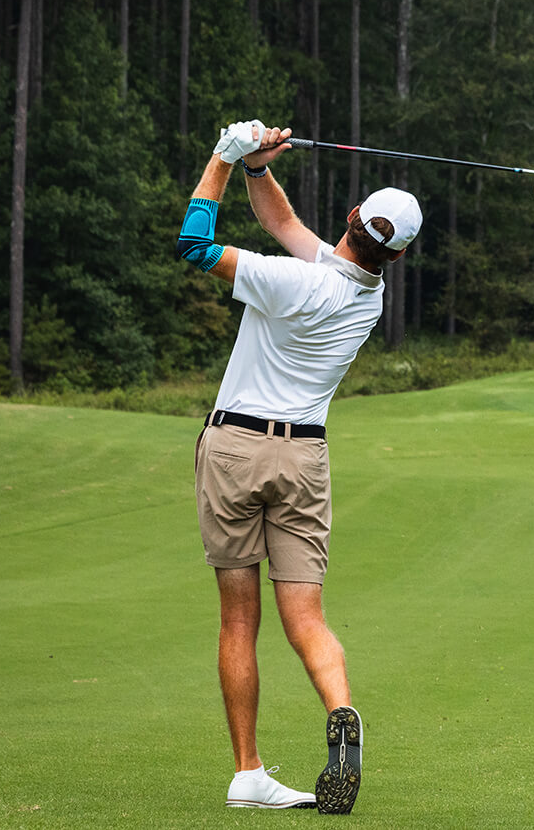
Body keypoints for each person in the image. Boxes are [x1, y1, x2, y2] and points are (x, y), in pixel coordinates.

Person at [176, 119, 421, 813]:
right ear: (395, 256)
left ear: (349, 219)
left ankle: (248, 770)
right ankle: (341, 710)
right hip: (304, 456)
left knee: (236, 620)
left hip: (234, 450)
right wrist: (259, 168)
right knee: (306, 617)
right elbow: (282, 221)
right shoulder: (366, 294)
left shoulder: (288, 281)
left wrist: (221, 157)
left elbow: (192, 245)